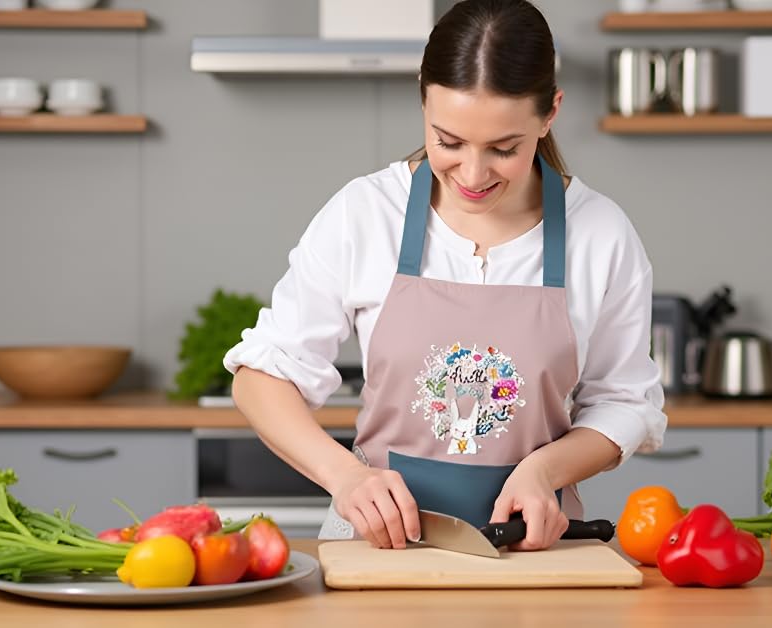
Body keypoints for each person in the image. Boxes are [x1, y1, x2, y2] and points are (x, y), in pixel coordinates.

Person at [225, 0, 666, 551]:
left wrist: (545, 470)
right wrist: (346, 477)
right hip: (376, 543)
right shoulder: (365, 214)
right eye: (448, 142)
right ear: (423, 99)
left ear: (550, 112)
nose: (473, 174)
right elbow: (264, 375)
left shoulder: (600, 232)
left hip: (534, 548)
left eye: (504, 149)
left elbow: (624, 403)